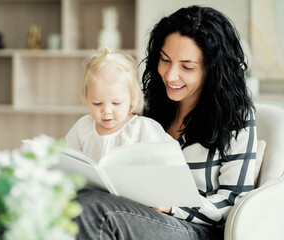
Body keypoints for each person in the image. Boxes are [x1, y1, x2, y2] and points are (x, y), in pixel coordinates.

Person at [73, 5, 257, 240]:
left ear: (213, 70)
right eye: (165, 60)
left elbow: (235, 202)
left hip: (196, 228)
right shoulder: (147, 104)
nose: (170, 75)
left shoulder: (235, 116)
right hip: (136, 212)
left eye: (187, 67)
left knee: (94, 209)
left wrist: (173, 206)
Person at [66, 47, 174, 162]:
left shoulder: (141, 129)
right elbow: (66, 159)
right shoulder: (83, 127)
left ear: (132, 97)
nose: (107, 111)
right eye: (97, 103)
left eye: (116, 103)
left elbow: (171, 158)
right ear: (86, 96)